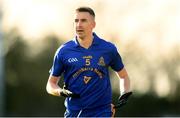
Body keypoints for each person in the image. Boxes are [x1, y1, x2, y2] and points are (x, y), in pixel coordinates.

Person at [46, 6, 131, 117]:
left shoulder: (108, 49)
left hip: (102, 112)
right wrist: (61, 92)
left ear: (93, 24)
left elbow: (123, 76)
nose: (79, 25)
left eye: (84, 20)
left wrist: (124, 93)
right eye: (76, 21)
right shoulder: (63, 51)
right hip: (74, 113)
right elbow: (50, 84)